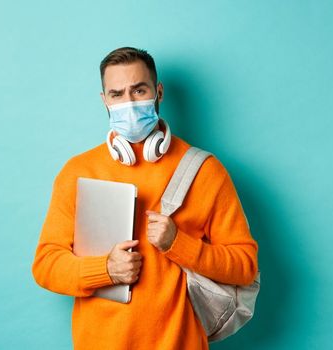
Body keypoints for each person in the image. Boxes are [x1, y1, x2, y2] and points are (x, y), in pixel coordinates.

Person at [31, 47, 259, 349]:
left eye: (139, 90)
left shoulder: (205, 171)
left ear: (158, 92)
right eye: (117, 94)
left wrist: (178, 243)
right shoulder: (78, 172)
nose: (129, 103)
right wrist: (106, 270)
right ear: (104, 101)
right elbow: (46, 265)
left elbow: (244, 266)